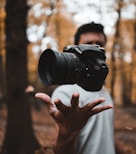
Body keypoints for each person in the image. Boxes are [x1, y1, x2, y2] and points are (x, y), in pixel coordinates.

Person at [35, 22, 115, 154]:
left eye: (99, 44)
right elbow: (60, 150)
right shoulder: (66, 93)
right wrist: (68, 134)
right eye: (89, 44)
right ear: (76, 47)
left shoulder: (103, 90)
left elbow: (107, 137)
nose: (95, 48)